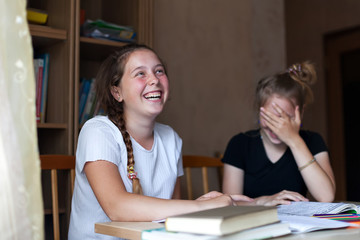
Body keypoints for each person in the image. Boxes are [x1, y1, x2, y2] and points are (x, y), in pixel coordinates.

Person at [68, 44, 252, 240]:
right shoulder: (97, 131)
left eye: (159, 71)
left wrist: (201, 207)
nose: (154, 79)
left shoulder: (171, 138)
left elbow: (168, 218)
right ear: (117, 92)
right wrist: (201, 206)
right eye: (140, 73)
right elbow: (117, 208)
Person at [222, 61, 336, 206]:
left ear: (300, 112)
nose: (277, 127)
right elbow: (229, 204)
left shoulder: (313, 141)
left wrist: (294, 141)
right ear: (259, 110)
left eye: (286, 118)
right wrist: (262, 201)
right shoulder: (240, 144)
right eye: (269, 117)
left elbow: (326, 196)